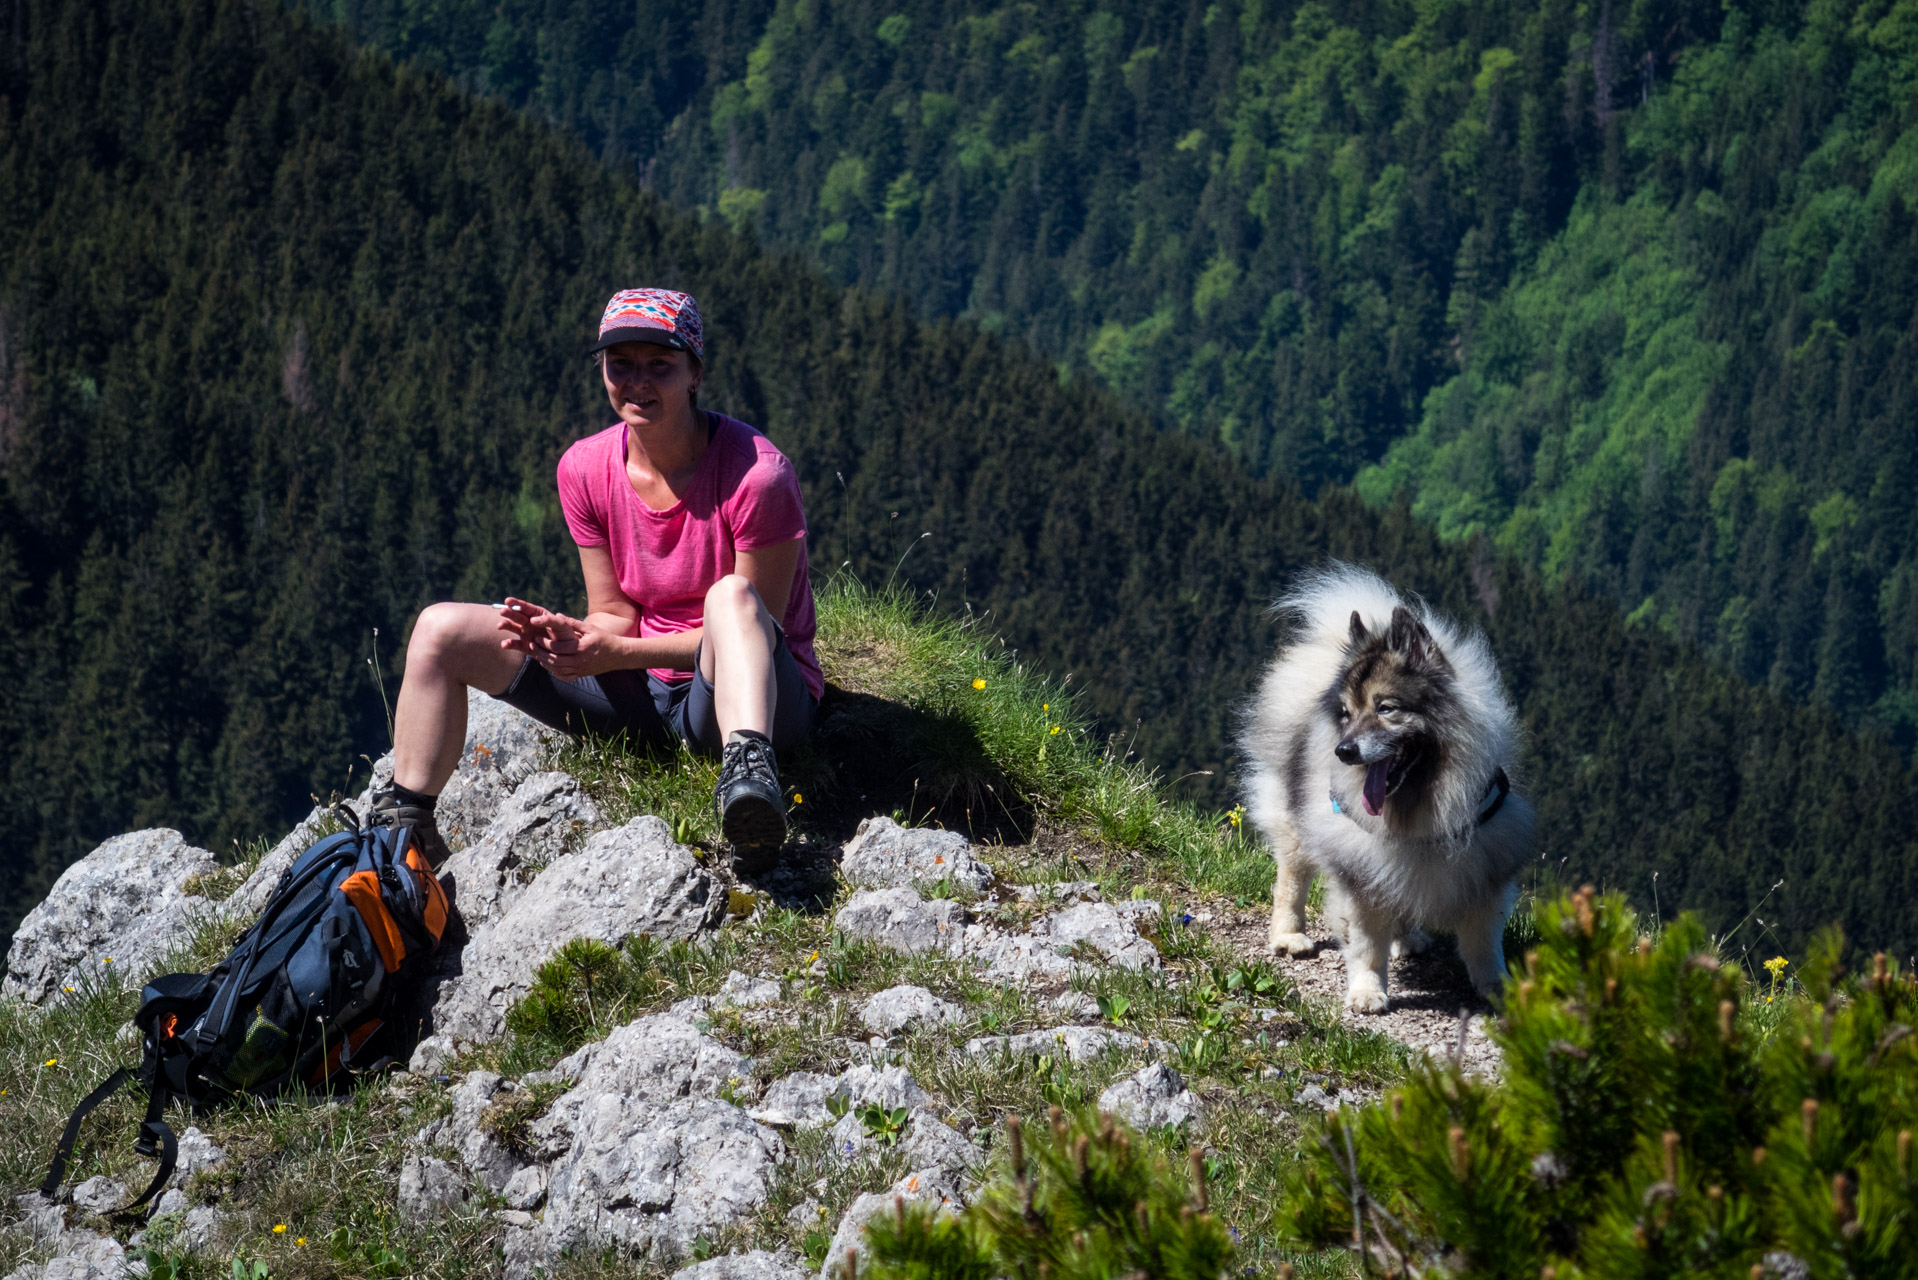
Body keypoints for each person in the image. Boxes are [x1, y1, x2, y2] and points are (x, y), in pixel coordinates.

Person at [367, 288, 820, 866]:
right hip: (645, 695)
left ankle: (750, 778)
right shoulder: (584, 468)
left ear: (695, 373)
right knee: (439, 629)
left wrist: (621, 652)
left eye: (660, 364)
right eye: (621, 364)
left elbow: (760, 632)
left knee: (731, 597)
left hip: (752, 697)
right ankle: (405, 826)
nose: (637, 381)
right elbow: (613, 611)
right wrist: (574, 636)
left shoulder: (757, 475)